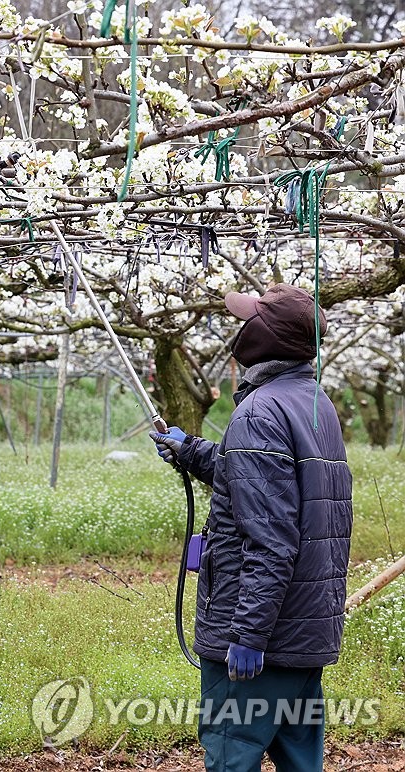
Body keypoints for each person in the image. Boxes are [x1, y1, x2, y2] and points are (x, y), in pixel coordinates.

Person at [150, 283, 352, 772]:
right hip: (303, 634)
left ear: (265, 340)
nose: (240, 329)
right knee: (300, 759)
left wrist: (249, 634)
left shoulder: (259, 412)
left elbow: (271, 538)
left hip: (261, 641)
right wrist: (192, 451)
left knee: (230, 755)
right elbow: (265, 483)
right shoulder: (311, 402)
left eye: (250, 321)